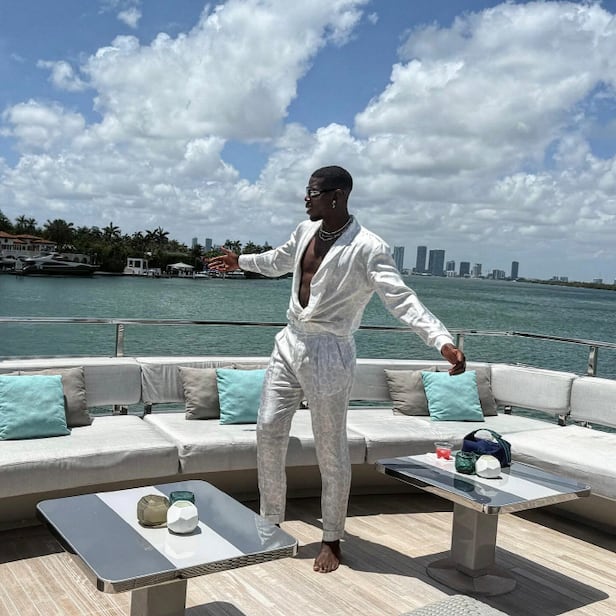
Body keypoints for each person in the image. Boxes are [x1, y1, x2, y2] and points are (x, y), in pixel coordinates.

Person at [207, 165, 466, 573]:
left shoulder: (368, 247)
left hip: (330, 351)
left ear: (336, 196)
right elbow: (278, 260)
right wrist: (240, 261)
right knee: (268, 430)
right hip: (289, 342)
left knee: (330, 448)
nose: (305, 199)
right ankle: (270, 522)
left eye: (312, 192)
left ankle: (331, 537)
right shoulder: (305, 231)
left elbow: (401, 299)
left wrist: (441, 341)